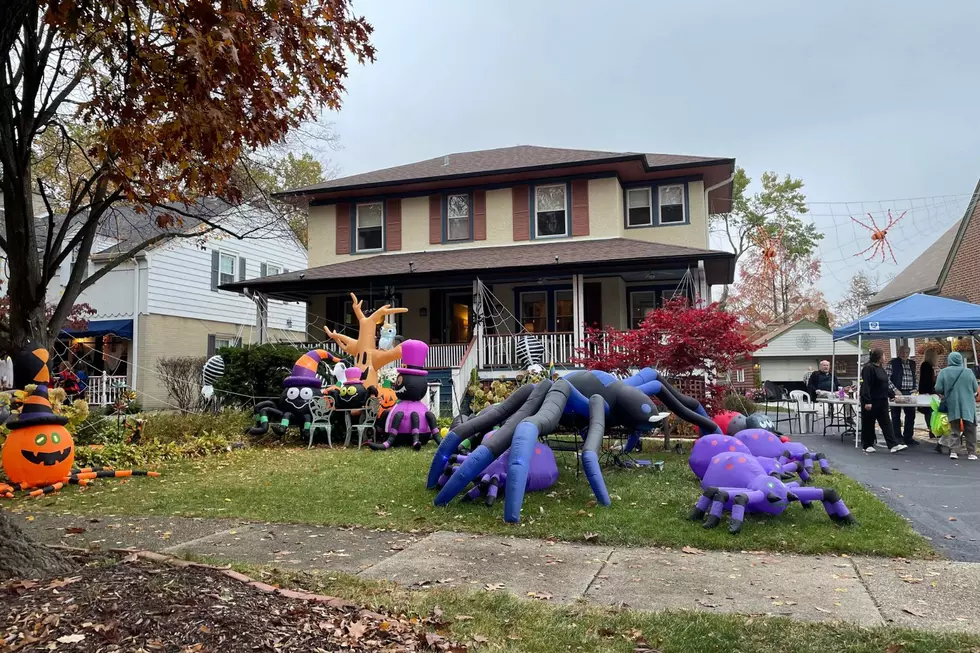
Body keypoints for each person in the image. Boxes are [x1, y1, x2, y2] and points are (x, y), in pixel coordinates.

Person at [935, 351, 979, 461]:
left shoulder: (944, 372)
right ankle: (971, 452)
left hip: (952, 403)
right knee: (970, 429)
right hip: (968, 404)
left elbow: (938, 388)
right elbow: (975, 388)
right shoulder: (968, 372)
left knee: (954, 428)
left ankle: (954, 451)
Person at [861, 348, 906, 453]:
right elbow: (866, 385)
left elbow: (884, 384)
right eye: (884, 356)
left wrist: (892, 395)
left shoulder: (881, 369)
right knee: (869, 422)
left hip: (882, 400)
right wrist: (867, 401)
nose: (885, 358)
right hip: (872, 400)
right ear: (879, 357)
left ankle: (893, 444)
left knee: (886, 422)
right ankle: (867, 444)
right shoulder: (868, 368)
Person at [889, 346, 918, 446]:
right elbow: (886, 379)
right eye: (902, 352)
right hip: (897, 392)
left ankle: (908, 437)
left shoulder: (912, 363)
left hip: (909, 392)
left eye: (906, 352)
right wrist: (895, 390)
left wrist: (916, 387)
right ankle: (897, 437)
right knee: (896, 415)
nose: (904, 354)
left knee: (911, 415)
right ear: (898, 352)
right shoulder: (892, 363)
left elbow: (915, 376)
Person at [918, 348, 937, 439]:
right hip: (928, 393)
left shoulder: (926, 365)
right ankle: (932, 430)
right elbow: (928, 381)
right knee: (930, 412)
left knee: (929, 412)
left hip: (926, 391)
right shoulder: (927, 366)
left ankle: (932, 430)